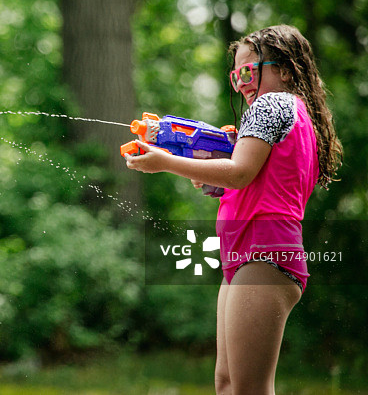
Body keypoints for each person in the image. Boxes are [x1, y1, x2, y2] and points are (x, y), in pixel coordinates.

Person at [124, 25, 341, 395]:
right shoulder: (296, 112)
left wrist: (165, 162)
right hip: (247, 256)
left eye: (248, 71)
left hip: (264, 253)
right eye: (234, 74)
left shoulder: (271, 104)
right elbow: (261, 182)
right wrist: (212, 178)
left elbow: (240, 173)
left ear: (285, 70)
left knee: (248, 389)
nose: (240, 83)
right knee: (228, 386)